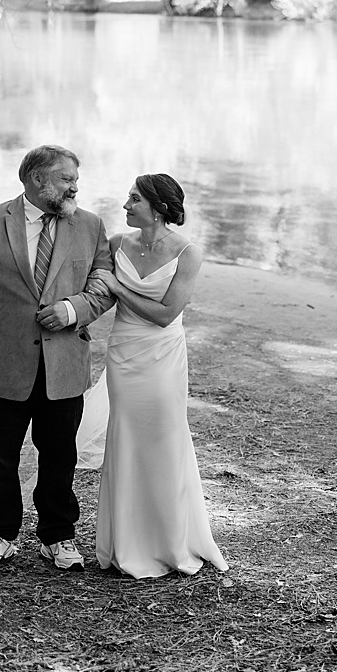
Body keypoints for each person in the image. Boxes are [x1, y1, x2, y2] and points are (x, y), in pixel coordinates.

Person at [0, 144, 118, 572]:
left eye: (75, 178)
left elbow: (105, 282)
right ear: (37, 179)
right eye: (66, 178)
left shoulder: (90, 226)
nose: (76, 186)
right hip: (1, 363)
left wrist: (73, 309)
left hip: (64, 363)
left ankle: (58, 536)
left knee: (60, 455)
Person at [89, 173, 228, 577]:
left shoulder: (188, 253)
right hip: (124, 353)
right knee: (126, 439)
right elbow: (92, 288)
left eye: (134, 199)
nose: (126, 205)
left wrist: (118, 286)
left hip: (163, 355)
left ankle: (171, 543)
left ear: (158, 208)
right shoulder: (116, 244)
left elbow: (167, 314)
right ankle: (127, 543)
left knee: (165, 438)